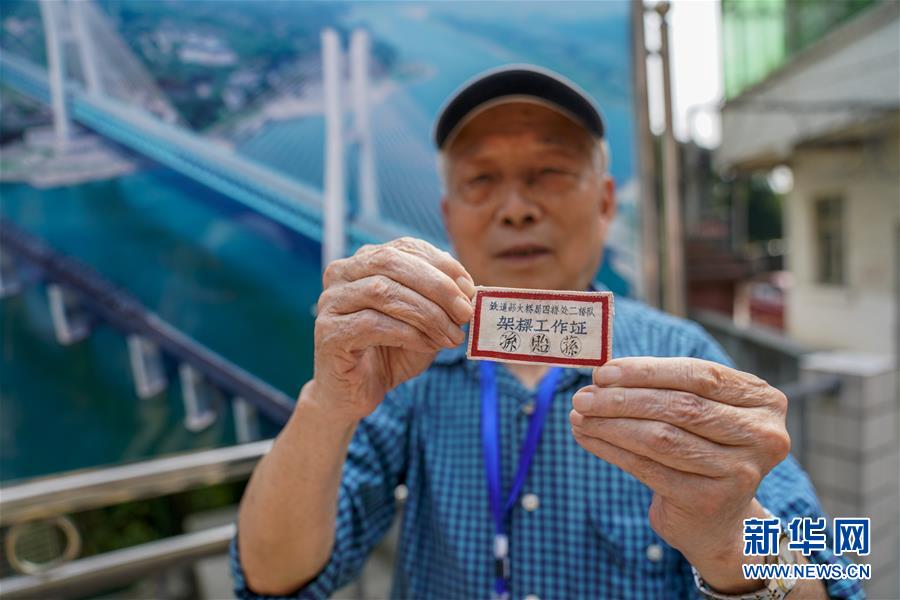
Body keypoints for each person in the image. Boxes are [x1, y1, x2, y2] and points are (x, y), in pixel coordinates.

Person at [231, 65, 863, 599]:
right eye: (481, 180)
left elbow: (837, 572)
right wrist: (327, 404)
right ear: (448, 216)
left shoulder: (685, 358)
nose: (516, 209)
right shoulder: (398, 365)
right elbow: (268, 579)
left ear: (606, 203)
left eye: (550, 172)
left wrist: (730, 537)